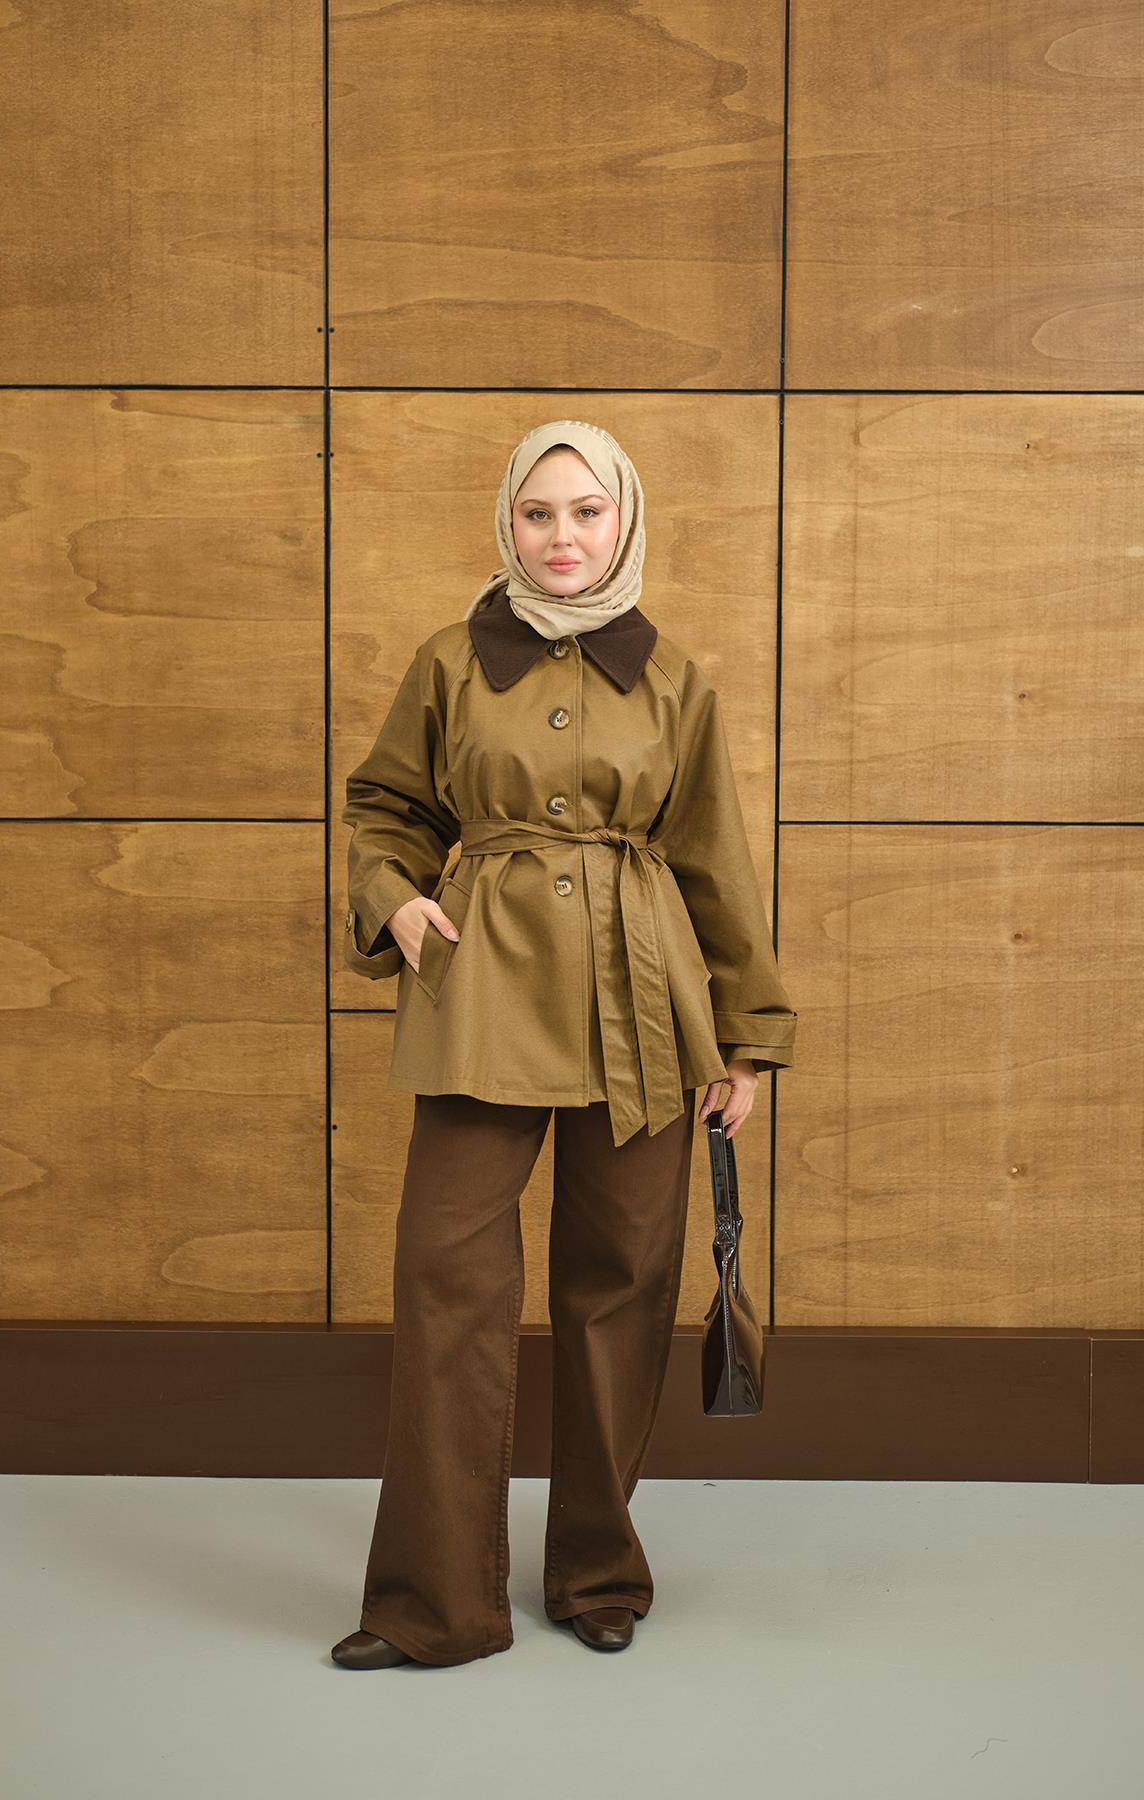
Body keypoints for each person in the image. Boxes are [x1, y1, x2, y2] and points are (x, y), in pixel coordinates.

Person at [331, 419, 796, 1668]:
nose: (563, 537)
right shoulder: (448, 661)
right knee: (445, 1277)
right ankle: (433, 1602)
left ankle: (596, 1570)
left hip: (643, 1003)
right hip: (479, 989)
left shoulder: (673, 679)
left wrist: (744, 1040)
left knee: (622, 1284)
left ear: (624, 520)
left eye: (587, 511)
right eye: (539, 513)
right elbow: (382, 808)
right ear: (508, 524)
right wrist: (394, 899)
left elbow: (714, 861)